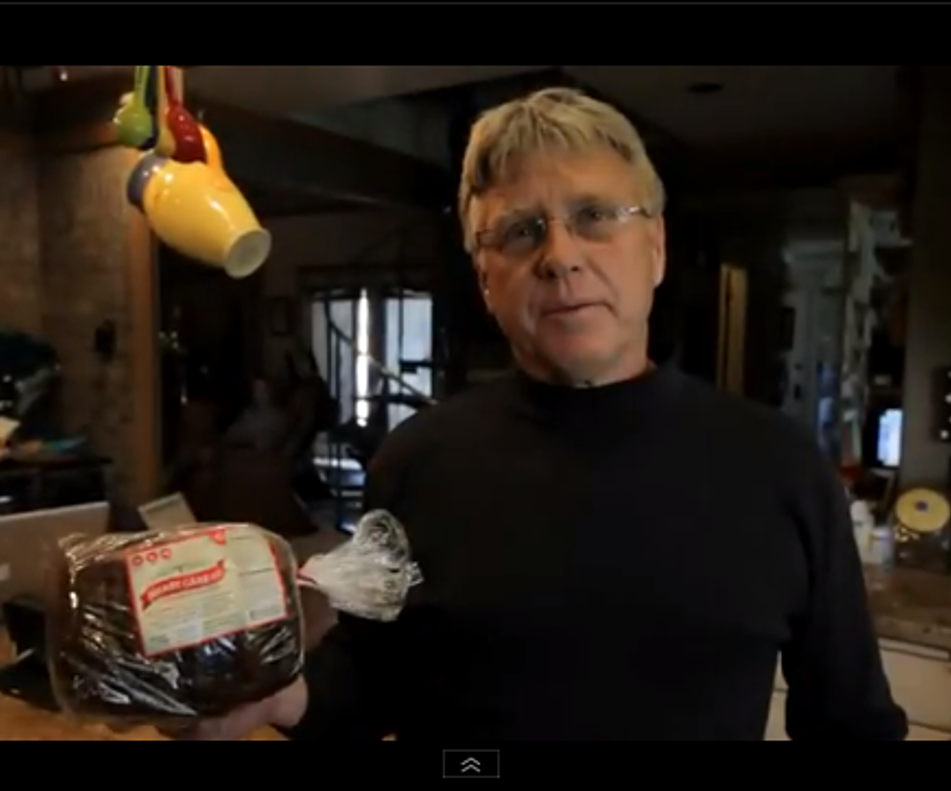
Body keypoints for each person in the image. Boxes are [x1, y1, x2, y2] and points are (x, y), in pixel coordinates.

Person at [184, 87, 907, 741]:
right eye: (521, 231)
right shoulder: (416, 462)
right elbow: (369, 688)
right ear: (485, 278)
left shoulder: (778, 469)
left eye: (594, 216)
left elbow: (850, 725)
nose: (560, 257)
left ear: (654, 247)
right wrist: (279, 699)